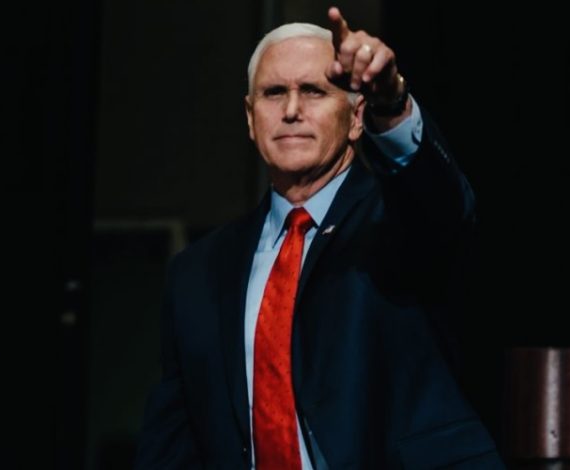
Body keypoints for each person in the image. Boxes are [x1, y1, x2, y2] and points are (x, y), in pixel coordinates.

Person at [136, 7, 503, 469]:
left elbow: (442, 205)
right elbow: (172, 446)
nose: (291, 111)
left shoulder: (398, 222)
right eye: (274, 93)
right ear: (250, 118)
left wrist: (392, 105)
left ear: (356, 117)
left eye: (313, 91)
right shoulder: (197, 273)